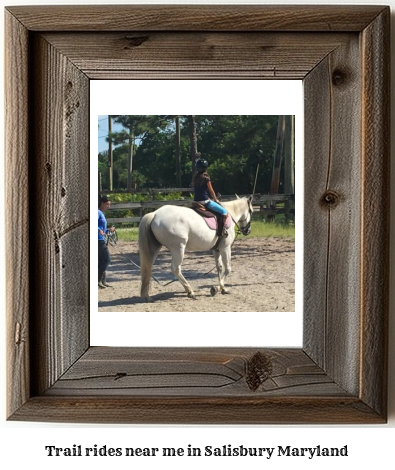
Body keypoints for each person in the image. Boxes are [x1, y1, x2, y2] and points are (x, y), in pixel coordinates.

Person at [192, 157, 228, 237]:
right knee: (224, 212)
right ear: (205, 168)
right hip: (205, 201)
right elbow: (211, 191)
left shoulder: (195, 178)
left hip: (195, 201)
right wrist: (216, 200)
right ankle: (220, 232)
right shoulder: (206, 178)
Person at [98, 196, 115, 288]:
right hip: (98, 239)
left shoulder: (101, 213)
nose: (108, 206)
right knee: (107, 259)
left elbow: (102, 230)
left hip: (101, 238)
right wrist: (97, 229)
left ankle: (102, 281)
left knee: (101, 261)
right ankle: (97, 280)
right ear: (102, 203)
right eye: (107, 204)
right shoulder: (97, 212)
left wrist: (109, 230)